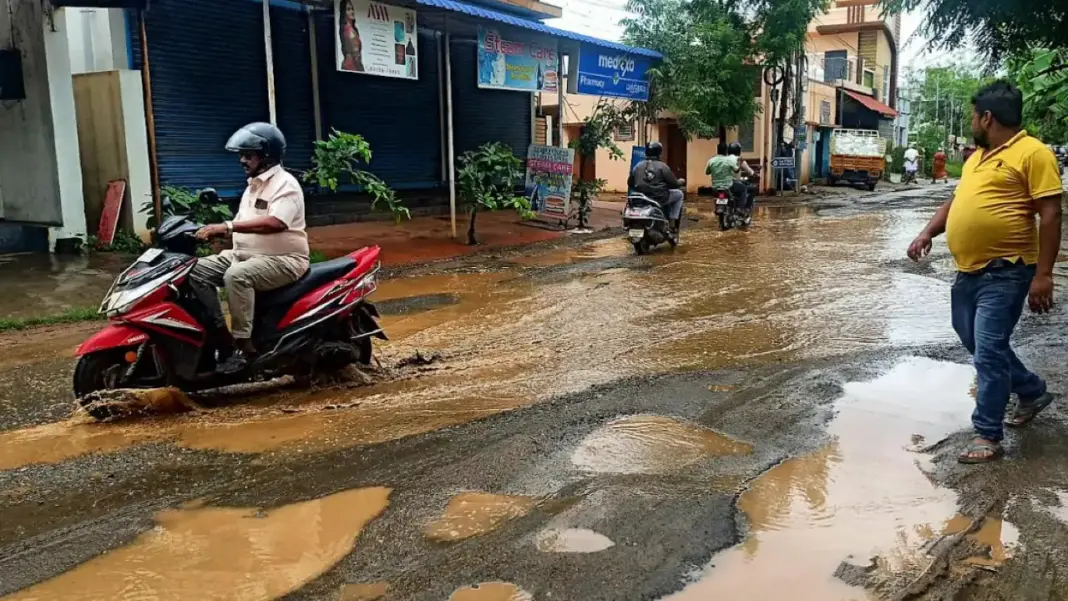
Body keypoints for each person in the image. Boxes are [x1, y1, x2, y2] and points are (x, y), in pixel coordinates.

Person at [907, 80, 1062, 464]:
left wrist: (1043, 275)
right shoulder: (978, 156)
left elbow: (1051, 213)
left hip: (1008, 270)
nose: (972, 122)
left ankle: (987, 435)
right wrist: (927, 231)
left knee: (989, 351)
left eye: (974, 116)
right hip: (968, 271)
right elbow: (957, 200)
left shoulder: (1034, 153)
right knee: (972, 338)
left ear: (987, 117)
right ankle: (1031, 390)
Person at [192, 123, 311, 373]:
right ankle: (219, 337)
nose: (242, 160)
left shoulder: (285, 184)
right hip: (245, 255)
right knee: (193, 271)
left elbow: (275, 223)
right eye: (241, 155)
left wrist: (226, 227)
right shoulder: (254, 185)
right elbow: (246, 225)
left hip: (284, 259)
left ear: (266, 156)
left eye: (248, 155)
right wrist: (220, 239)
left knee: (236, 277)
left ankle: (244, 347)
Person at [628, 141, 684, 235]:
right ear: (659, 152)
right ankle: (672, 222)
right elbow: (674, 183)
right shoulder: (663, 166)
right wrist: (681, 181)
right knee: (679, 194)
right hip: (659, 198)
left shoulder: (637, 166)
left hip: (641, 198)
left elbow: (630, 183)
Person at [706, 142, 755, 212]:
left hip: (718, 185)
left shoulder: (724, 159)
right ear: (739, 151)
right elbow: (749, 171)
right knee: (746, 189)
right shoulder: (738, 159)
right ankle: (741, 208)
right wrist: (753, 174)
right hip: (731, 183)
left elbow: (709, 172)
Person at [338, 0, 364, 72]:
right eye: (348, 9)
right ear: (344, 12)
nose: (352, 11)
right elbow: (356, 56)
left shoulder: (348, 29)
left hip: (349, 66)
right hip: (352, 67)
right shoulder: (349, 31)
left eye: (352, 9)